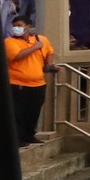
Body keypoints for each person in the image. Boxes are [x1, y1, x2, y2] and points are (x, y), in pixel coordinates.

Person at [6, 16, 55, 146]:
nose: (16, 28)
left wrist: (49, 65)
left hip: (38, 83)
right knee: (18, 113)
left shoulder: (41, 39)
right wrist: (35, 47)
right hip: (17, 84)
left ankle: (29, 135)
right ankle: (17, 138)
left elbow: (50, 51)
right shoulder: (9, 42)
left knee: (33, 111)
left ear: (28, 27)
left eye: (19, 25)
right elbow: (17, 56)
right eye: (14, 25)